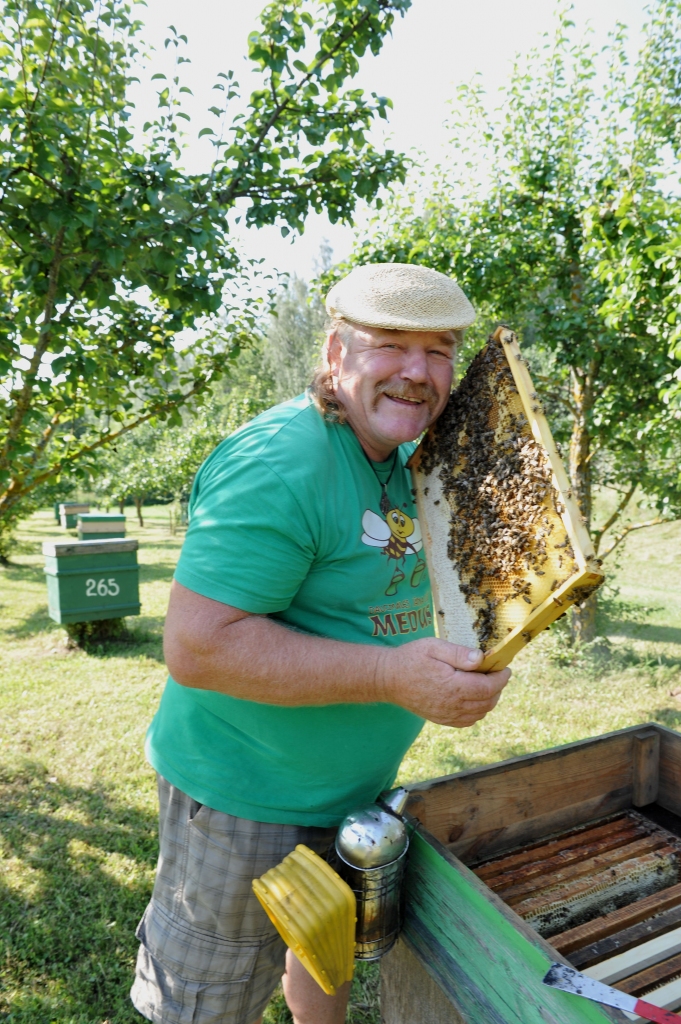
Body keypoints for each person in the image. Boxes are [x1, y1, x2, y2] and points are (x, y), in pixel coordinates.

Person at [130, 263, 512, 1024]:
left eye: (439, 351)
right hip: (245, 797)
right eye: (391, 346)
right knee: (204, 1002)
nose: (418, 372)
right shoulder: (278, 465)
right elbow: (199, 648)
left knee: (321, 946)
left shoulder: (412, 456)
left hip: (349, 791)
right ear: (336, 352)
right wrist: (392, 678)